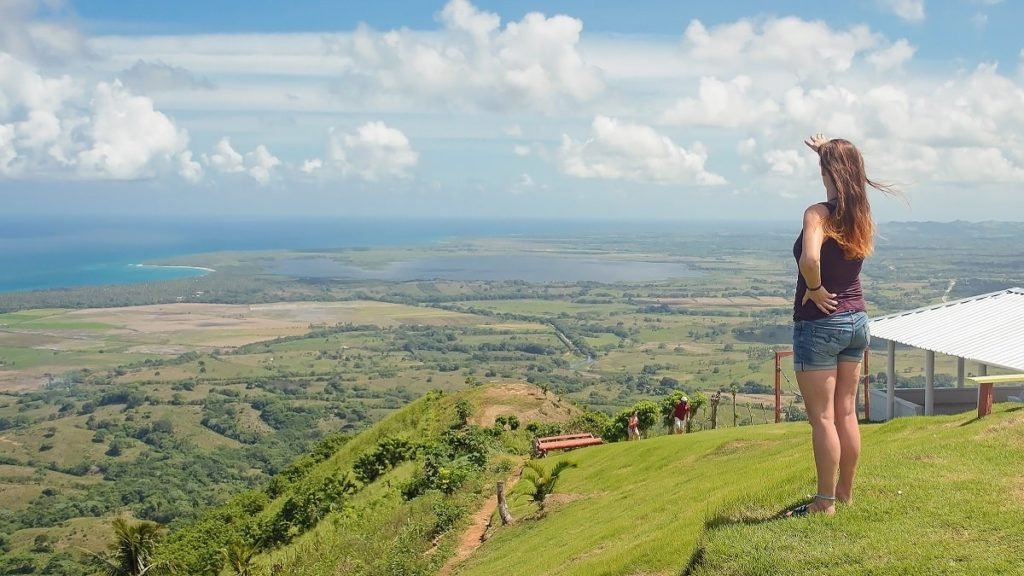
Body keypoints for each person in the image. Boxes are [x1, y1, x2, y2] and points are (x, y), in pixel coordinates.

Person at [786, 133, 897, 518]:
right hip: (856, 321)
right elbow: (843, 175)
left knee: (822, 418)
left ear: (826, 173)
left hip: (820, 324)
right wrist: (826, 152)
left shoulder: (817, 214)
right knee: (846, 413)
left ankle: (824, 503)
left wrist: (815, 288)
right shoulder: (859, 214)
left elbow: (810, 260)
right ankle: (844, 493)